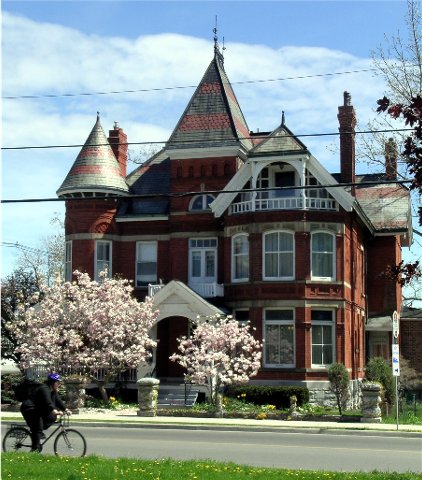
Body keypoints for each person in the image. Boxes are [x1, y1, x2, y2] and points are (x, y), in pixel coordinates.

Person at [20, 373, 71, 452]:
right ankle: (35, 449)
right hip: (29, 408)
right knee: (38, 427)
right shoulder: (44, 388)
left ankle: (37, 434)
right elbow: (48, 402)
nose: (59, 384)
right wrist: (54, 410)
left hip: (36, 409)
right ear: (52, 382)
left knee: (51, 418)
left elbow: (58, 401)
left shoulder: (52, 391)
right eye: (58, 382)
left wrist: (66, 409)